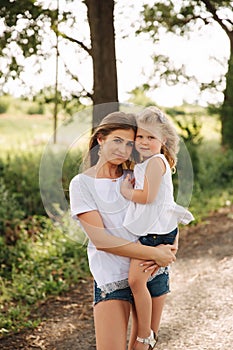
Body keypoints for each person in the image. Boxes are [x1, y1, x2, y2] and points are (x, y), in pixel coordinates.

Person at [69, 111, 176, 350]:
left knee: (143, 346)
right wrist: (153, 253)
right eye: (117, 140)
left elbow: (164, 209)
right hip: (112, 278)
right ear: (100, 139)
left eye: (130, 143)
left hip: (150, 271)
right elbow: (101, 240)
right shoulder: (82, 184)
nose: (123, 149)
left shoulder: (135, 177)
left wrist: (171, 246)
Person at [120, 106, 194, 350]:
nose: (143, 141)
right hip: (158, 230)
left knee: (135, 282)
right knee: (145, 282)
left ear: (163, 140)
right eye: (140, 136)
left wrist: (127, 192)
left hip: (154, 234)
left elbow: (148, 197)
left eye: (151, 137)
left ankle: (145, 333)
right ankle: (146, 334)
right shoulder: (149, 163)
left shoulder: (155, 162)